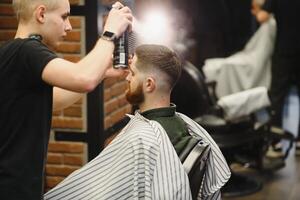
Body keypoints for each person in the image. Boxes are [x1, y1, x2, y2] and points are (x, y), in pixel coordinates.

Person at [44, 44, 230, 200]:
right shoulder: (183, 126)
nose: (126, 77)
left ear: (149, 84)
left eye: (132, 73)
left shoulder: (142, 139)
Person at [0, 0, 132, 199]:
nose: (69, 26)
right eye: (64, 17)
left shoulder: (13, 54)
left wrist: (102, 72)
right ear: (41, 14)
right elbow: (83, 78)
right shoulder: (26, 50)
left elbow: (56, 99)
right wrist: (109, 32)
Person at [255, 0, 300, 156]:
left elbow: (262, 17)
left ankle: (276, 142)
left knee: (277, 97)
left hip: (284, 51)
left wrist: (258, 7)